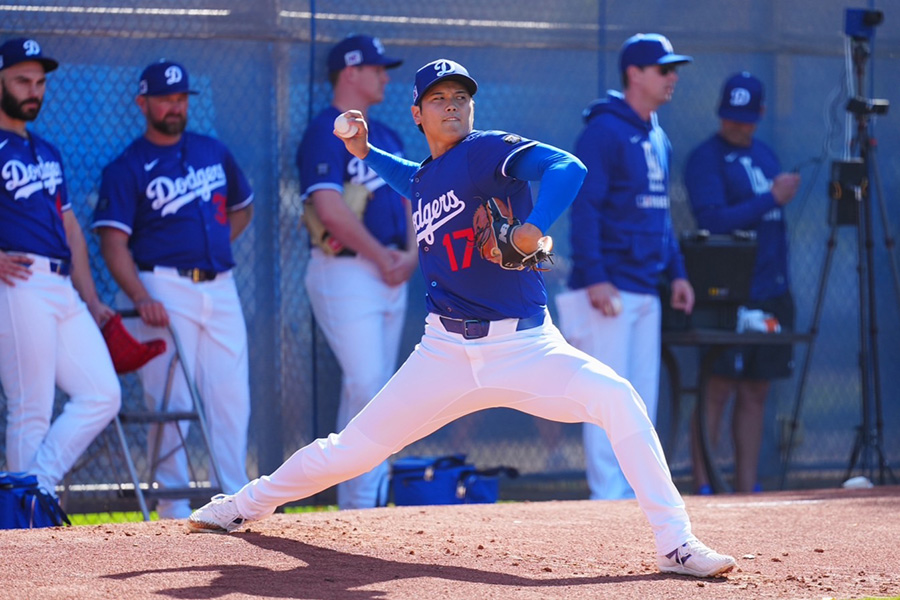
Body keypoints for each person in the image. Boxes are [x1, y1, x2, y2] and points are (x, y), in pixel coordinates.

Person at [188, 58, 737, 579]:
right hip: (443, 353)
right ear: (417, 114)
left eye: (460, 98)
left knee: (618, 398)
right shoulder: (429, 173)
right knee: (351, 450)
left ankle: (675, 543)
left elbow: (567, 167)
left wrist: (534, 224)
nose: (452, 106)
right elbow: (413, 180)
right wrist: (364, 149)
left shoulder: (485, 150)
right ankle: (243, 505)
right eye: (438, 98)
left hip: (525, 348)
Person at [92, 60, 254, 519]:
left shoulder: (212, 151)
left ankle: (235, 498)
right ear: (143, 103)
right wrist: (141, 296)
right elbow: (112, 243)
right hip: (161, 285)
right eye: (165, 98)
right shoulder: (127, 166)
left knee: (230, 395)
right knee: (171, 400)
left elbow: (242, 210)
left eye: (181, 98)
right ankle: (173, 505)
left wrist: (212, 248)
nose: (175, 106)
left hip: (220, 285)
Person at [556, 33, 695, 501]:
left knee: (639, 403)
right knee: (607, 401)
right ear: (634, 73)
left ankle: (635, 501)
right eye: (663, 68)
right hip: (609, 287)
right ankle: (606, 501)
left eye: (674, 68)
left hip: (645, 286)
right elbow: (585, 207)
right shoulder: (604, 131)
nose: (672, 76)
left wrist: (676, 271)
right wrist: (595, 275)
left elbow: (662, 214)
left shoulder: (658, 135)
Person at [297, 34, 417, 509]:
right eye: (376, 68)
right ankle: (360, 499)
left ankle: (360, 502)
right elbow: (327, 208)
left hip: (391, 269)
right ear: (350, 71)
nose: (384, 76)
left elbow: (414, 197)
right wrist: (380, 255)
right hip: (345, 270)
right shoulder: (324, 129)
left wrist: (410, 253)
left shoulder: (385, 136)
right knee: (367, 382)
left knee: (374, 388)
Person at [0, 37, 121, 494]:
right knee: (31, 407)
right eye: (21, 80)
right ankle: (20, 527)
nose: (33, 90)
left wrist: (89, 298)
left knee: (102, 393)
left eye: (39, 82)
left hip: (61, 286)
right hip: (19, 280)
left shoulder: (46, 149)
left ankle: (34, 489)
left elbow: (70, 227)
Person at [684, 72, 799, 494]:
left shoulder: (765, 154)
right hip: (728, 296)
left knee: (755, 391)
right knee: (717, 388)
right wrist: (772, 197)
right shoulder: (706, 158)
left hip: (772, 293)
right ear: (720, 113)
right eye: (731, 116)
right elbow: (712, 219)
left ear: (760, 115)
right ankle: (705, 488)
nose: (738, 125)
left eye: (747, 117)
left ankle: (747, 489)